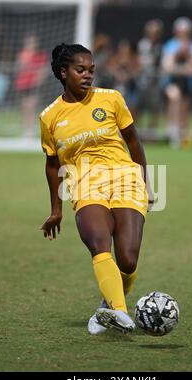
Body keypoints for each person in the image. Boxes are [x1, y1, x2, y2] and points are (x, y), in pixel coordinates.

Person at [39, 43, 154, 335]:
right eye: (80, 70)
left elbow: (134, 143)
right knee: (99, 245)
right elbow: (53, 165)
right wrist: (56, 209)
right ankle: (120, 312)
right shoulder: (49, 117)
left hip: (125, 178)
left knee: (127, 260)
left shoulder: (111, 99)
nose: (88, 75)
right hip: (84, 183)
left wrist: (146, 183)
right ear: (63, 72)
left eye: (91, 70)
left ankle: (107, 306)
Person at [161, 17, 192, 148]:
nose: (183, 33)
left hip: (189, 83)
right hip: (172, 81)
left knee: (185, 107)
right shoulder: (169, 45)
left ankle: (183, 135)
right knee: (175, 100)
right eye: (180, 31)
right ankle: (172, 132)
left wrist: (188, 56)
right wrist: (178, 56)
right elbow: (167, 66)